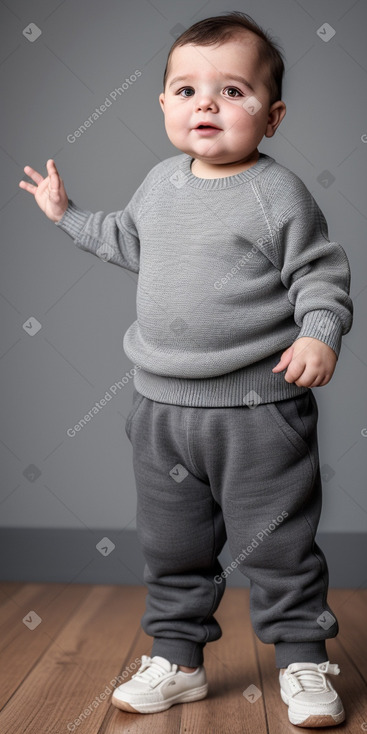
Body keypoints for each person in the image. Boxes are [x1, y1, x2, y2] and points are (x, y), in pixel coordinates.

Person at [19, 11, 353, 728]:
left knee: (279, 540)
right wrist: (66, 214)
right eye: (187, 89)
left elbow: (320, 277)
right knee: (172, 543)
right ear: (164, 105)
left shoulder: (278, 194)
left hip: (260, 411)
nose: (207, 103)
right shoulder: (161, 182)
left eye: (233, 90)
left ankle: (301, 658)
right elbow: (129, 240)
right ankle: (177, 661)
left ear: (272, 116)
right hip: (160, 411)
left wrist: (319, 334)